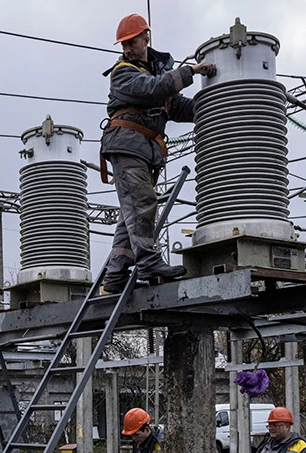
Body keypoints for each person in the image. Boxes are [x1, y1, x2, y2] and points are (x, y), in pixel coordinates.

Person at [99, 13, 216, 294]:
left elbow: (175, 107)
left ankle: (115, 275)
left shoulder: (154, 73)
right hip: (126, 145)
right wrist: (191, 72)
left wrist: (214, 102)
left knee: (132, 212)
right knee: (142, 202)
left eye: (131, 42)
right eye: (123, 44)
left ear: (146, 38)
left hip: (141, 149)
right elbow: (152, 90)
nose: (127, 48)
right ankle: (149, 262)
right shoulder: (123, 73)